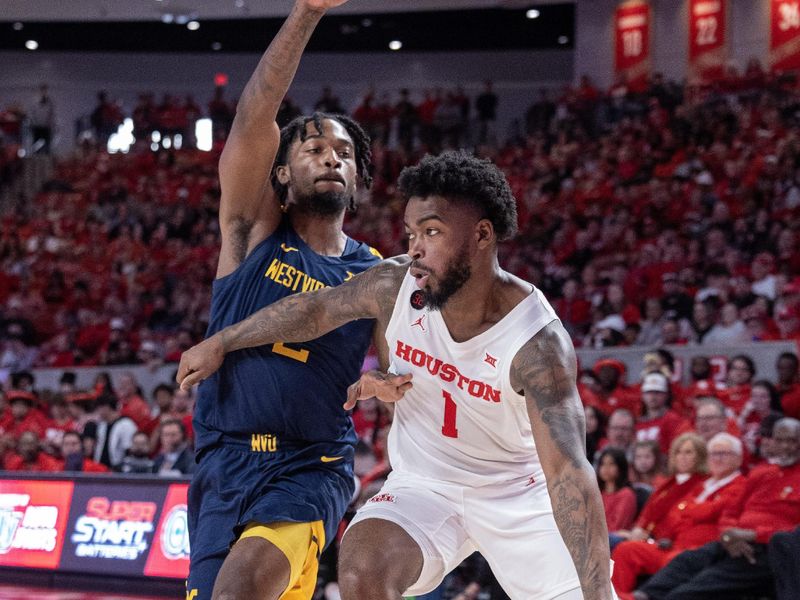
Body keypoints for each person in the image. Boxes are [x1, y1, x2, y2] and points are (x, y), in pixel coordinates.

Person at [178, 151, 616, 599]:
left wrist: (598, 590)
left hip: (515, 495)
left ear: (482, 234)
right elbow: (315, 310)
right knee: (361, 570)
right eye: (411, 233)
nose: (415, 248)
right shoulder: (395, 283)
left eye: (431, 232)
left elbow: (567, 472)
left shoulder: (536, 343)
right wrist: (223, 341)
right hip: (424, 486)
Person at [184, 1, 380, 599]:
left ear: (357, 177)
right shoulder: (251, 235)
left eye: (343, 152)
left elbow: (405, 367)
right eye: (313, 148)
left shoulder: (375, 274)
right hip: (223, 462)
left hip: (309, 466)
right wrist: (306, 12)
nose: (330, 157)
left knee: (238, 592)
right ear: (281, 176)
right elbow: (253, 117)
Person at [633, 418, 800, 600]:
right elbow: (731, 512)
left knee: (689, 592)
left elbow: (794, 534)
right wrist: (728, 534)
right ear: (772, 442)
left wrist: (754, 535)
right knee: (686, 561)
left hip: (766, 549)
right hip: (732, 541)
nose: (785, 446)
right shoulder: (761, 473)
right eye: (780, 440)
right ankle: (641, 596)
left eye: (791, 441)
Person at [611, 433, 745, 599]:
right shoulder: (704, 485)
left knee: (677, 560)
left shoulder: (740, 486)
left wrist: (690, 509)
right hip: (672, 544)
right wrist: (693, 511)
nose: (717, 459)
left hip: (696, 552)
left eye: (723, 454)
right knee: (627, 550)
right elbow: (675, 514)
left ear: (739, 459)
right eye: (714, 454)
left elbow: (709, 511)